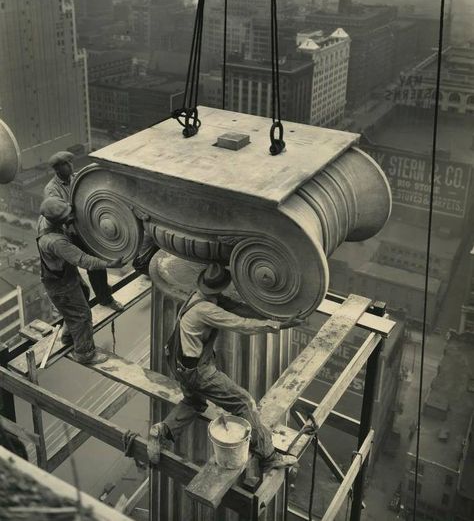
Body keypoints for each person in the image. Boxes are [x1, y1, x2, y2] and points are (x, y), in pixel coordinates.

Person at [147, 263, 304, 472]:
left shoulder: (197, 296)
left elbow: (237, 308)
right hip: (197, 372)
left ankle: (162, 431)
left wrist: (273, 316)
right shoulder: (206, 310)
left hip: (180, 365)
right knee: (244, 403)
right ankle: (269, 456)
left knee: (194, 402)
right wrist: (279, 325)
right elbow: (241, 323)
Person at [37, 197, 125, 364]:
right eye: (66, 217)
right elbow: (84, 260)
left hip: (63, 276)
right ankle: (85, 353)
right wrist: (110, 264)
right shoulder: (55, 241)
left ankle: (68, 336)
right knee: (81, 314)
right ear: (57, 220)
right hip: (60, 285)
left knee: (83, 295)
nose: (70, 218)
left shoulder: (45, 217)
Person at [44, 151, 123, 311]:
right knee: (85, 266)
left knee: (97, 260)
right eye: (66, 164)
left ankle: (103, 292)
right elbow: (61, 214)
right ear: (58, 169)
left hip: (86, 227)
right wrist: (76, 210)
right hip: (70, 233)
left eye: (70, 162)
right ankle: (98, 300)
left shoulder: (76, 178)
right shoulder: (51, 190)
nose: (71, 166)